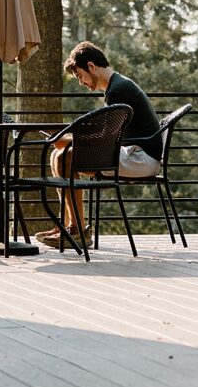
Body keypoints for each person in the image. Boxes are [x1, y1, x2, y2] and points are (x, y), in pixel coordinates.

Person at [35, 41, 162, 248]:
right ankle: (67, 225)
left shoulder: (117, 92)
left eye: (79, 76)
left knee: (65, 155)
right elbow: (107, 136)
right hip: (135, 153)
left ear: (91, 67)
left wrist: (67, 141)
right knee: (57, 155)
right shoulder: (118, 86)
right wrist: (67, 141)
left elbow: (105, 141)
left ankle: (77, 230)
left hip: (142, 158)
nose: (81, 82)